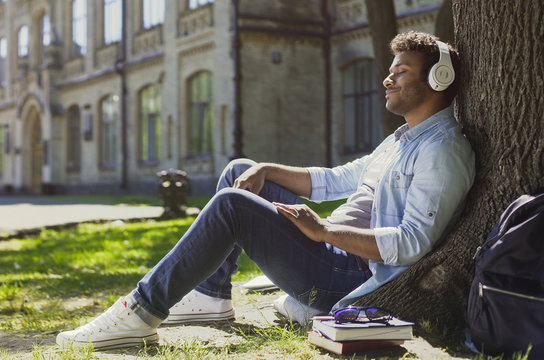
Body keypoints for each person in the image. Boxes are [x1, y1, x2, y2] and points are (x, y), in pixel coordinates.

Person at [56, 31, 475, 349]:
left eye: (400, 73)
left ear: (438, 80)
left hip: (345, 275)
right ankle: (210, 296)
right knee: (242, 172)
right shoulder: (402, 139)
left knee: (231, 206)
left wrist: (324, 233)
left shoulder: (443, 151)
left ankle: (140, 312)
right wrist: (266, 168)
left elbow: (411, 243)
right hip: (327, 250)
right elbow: (335, 179)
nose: (387, 79)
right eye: (390, 70)